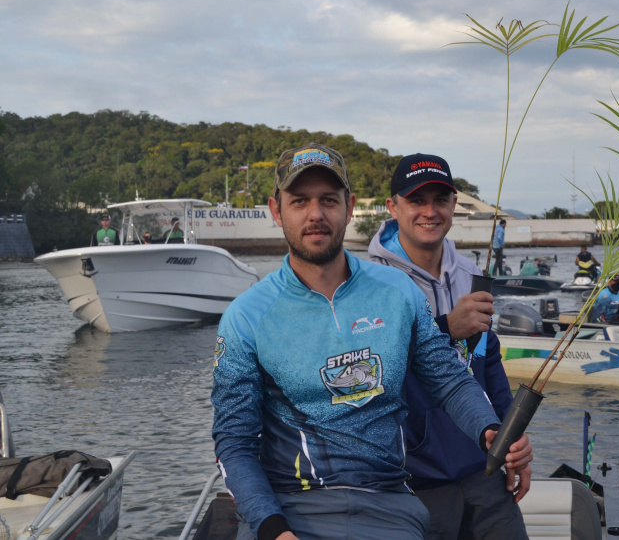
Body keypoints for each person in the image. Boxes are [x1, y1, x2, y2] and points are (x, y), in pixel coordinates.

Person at [212, 144, 527, 540]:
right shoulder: (245, 317)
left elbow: (449, 379)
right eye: (299, 201)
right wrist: (273, 528)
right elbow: (234, 442)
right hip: (290, 508)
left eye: (329, 200)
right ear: (277, 211)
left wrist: (490, 429)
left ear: (349, 206)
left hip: (389, 508)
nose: (316, 214)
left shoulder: (398, 291)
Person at [368, 152, 531, 539]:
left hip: (483, 469)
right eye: (416, 200)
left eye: (440, 199)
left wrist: (510, 440)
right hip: (413, 480)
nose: (430, 211)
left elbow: (487, 361)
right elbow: (370, 371)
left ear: (454, 204)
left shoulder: (472, 274)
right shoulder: (369, 281)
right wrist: (446, 328)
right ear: (392, 206)